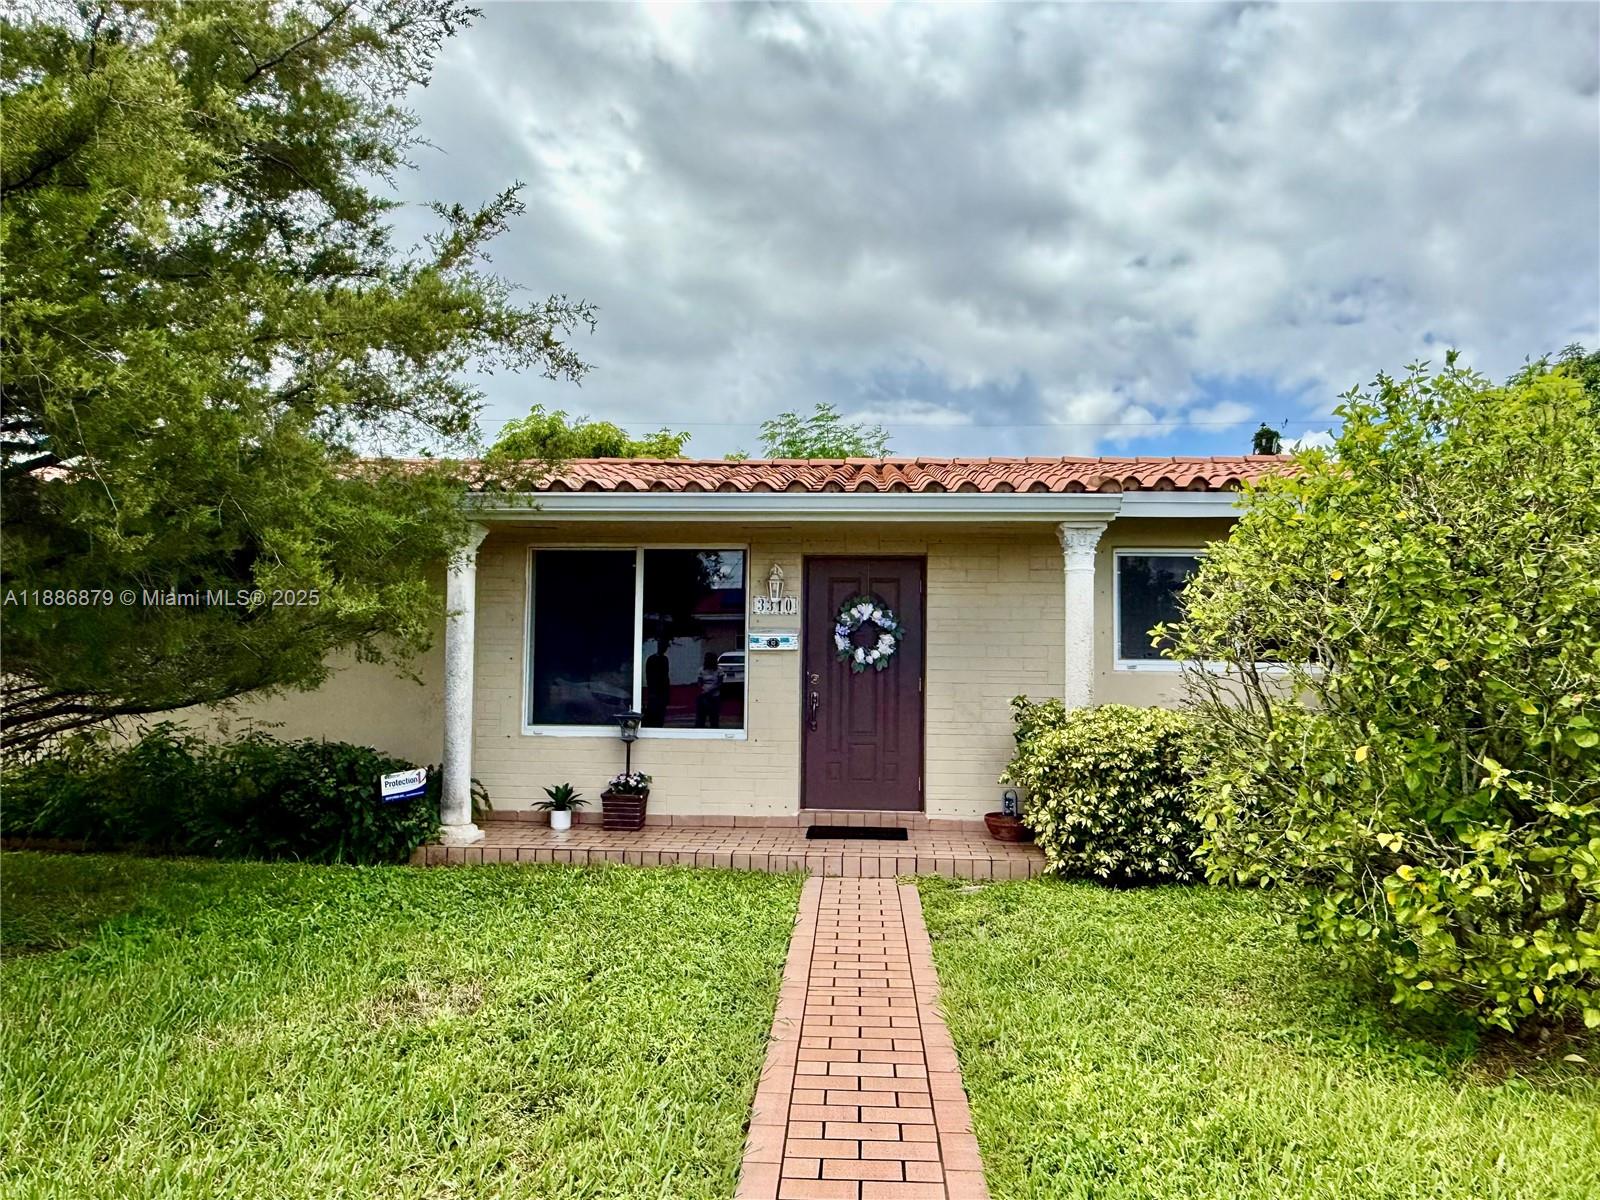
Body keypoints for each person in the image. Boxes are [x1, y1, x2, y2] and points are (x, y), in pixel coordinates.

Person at [643, 639, 670, 727]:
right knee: (653, 713)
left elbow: (666, 676)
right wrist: (651, 691)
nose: (664, 649)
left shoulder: (665, 659)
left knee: (660, 714)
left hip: (662, 692)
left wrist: (667, 693)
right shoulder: (652, 659)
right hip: (654, 691)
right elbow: (649, 676)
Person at [695, 651, 722, 729]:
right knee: (701, 718)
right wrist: (703, 692)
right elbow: (699, 682)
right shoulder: (701, 670)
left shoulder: (719, 670)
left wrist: (710, 691)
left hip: (714, 696)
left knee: (714, 718)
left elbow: (720, 683)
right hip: (703, 696)